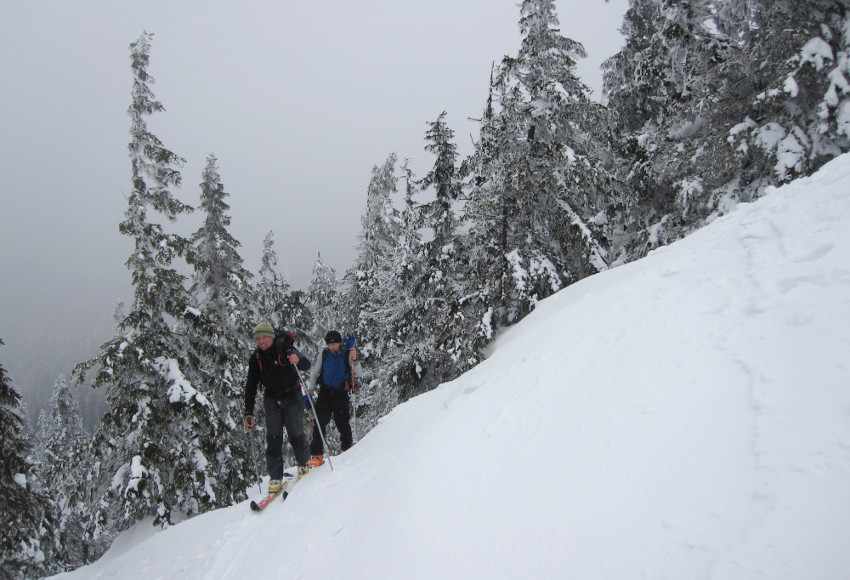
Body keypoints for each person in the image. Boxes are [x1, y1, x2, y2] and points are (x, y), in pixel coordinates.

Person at [244, 322, 312, 493]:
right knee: (273, 437)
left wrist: (297, 359)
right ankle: (275, 477)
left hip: (292, 395)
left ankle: (303, 463)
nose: (261, 341)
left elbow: (306, 364)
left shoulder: (285, 348)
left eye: (264, 337)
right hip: (272, 398)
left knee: (296, 432)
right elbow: (251, 385)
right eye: (258, 339)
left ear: (271, 337)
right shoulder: (256, 358)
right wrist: (248, 412)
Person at [307, 330, 363, 466]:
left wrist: (355, 359)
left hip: (340, 392)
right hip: (325, 392)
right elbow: (315, 372)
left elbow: (359, 373)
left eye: (334, 344)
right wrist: (311, 389)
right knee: (319, 421)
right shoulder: (324, 353)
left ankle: (346, 449)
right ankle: (317, 455)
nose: (331, 347)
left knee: (342, 422)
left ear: (339, 343)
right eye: (329, 344)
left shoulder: (347, 354)